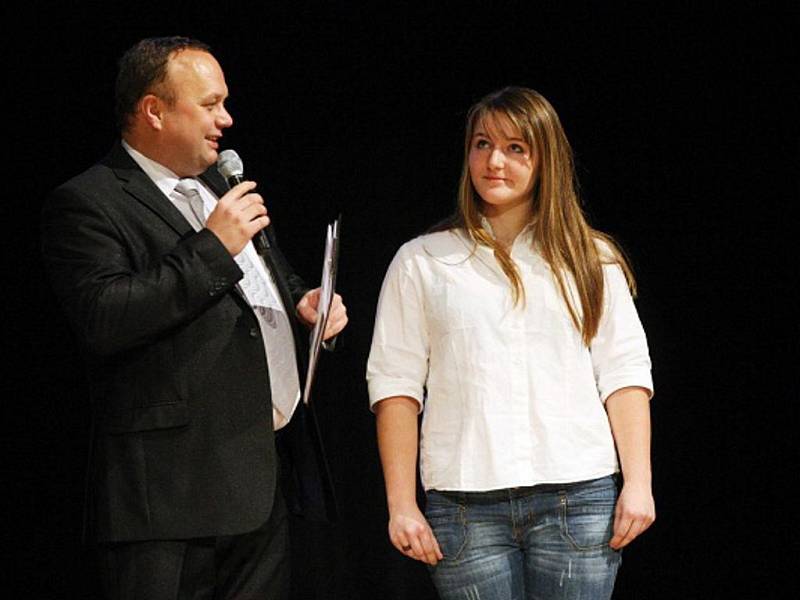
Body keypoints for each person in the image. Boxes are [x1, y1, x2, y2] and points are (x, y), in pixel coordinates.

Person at [41, 36, 347, 599]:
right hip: (170, 501)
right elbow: (106, 316)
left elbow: (266, 281)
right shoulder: (89, 201)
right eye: (210, 105)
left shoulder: (219, 189)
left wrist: (305, 304)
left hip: (258, 477)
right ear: (154, 111)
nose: (226, 120)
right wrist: (212, 247)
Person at [367, 86, 654, 599]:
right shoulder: (423, 260)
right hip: (464, 507)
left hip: (578, 498)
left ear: (546, 159)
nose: (494, 161)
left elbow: (624, 374)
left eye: (515, 148)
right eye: (482, 144)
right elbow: (395, 385)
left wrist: (639, 483)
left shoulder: (591, 258)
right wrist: (400, 504)